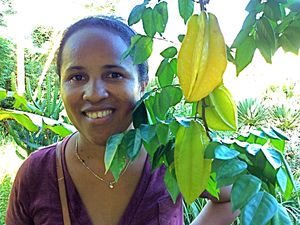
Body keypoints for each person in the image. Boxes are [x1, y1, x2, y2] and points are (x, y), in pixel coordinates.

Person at [6, 15, 238, 225]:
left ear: (142, 85)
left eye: (114, 75)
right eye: (77, 77)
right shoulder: (36, 173)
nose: (94, 93)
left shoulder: (171, 156)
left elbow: (236, 195)